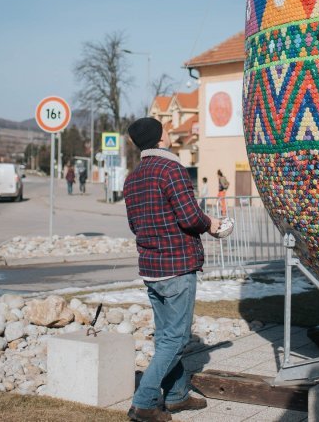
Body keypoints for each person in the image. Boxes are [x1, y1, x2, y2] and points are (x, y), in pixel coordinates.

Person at [123, 117, 221, 422]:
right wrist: (212, 225)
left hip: (151, 269)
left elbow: (133, 225)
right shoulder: (172, 169)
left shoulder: (132, 178)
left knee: (167, 336)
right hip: (176, 266)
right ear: (160, 138)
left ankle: (177, 396)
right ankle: (144, 402)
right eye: (164, 128)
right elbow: (190, 217)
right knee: (176, 339)